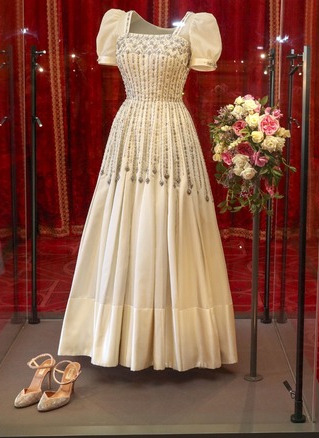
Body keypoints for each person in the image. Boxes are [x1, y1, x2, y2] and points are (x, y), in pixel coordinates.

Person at [58, 9, 238, 372]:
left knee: (173, 219)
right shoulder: (115, 22)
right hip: (130, 130)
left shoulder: (198, 25)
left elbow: (203, 64)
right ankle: (115, 336)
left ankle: (180, 340)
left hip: (173, 129)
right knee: (124, 218)